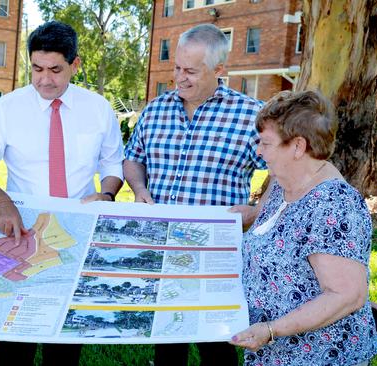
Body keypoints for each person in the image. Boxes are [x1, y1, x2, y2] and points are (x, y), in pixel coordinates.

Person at [0, 21, 124, 366]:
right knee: (13, 341)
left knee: (65, 339)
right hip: (22, 230)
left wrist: (107, 195)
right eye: (36, 69)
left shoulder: (98, 109)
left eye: (55, 69)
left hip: (79, 231)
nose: (45, 79)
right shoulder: (7, 108)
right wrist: (1, 201)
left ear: (75, 65)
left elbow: (114, 164)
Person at [123, 23, 266, 365]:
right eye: (176, 68)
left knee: (217, 347)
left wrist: (258, 208)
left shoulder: (251, 115)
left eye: (190, 71)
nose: (179, 78)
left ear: (219, 70)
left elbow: (284, 168)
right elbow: (132, 159)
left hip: (215, 255)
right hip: (160, 250)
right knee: (167, 342)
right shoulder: (156, 110)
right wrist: (139, 188)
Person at [229, 90, 377, 365]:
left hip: (320, 355)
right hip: (274, 353)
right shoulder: (281, 183)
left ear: (298, 147)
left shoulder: (334, 205)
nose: (259, 151)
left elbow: (346, 295)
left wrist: (272, 330)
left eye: (266, 143)